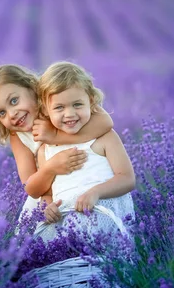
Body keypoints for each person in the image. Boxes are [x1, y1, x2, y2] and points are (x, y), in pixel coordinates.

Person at [0, 64, 114, 231]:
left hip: (88, 181)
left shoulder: (58, 101)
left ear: (32, 88)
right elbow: (31, 187)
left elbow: (106, 122)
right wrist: (50, 168)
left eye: (14, 101)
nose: (12, 114)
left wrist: (55, 137)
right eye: (1, 113)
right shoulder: (17, 137)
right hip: (54, 196)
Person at [30, 61, 136, 242]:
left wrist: (95, 192)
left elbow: (127, 179)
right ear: (46, 110)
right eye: (59, 107)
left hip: (107, 215)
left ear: (91, 102)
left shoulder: (104, 137)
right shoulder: (46, 150)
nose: (69, 114)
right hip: (66, 223)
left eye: (77, 104)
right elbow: (47, 192)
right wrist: (47, 206)